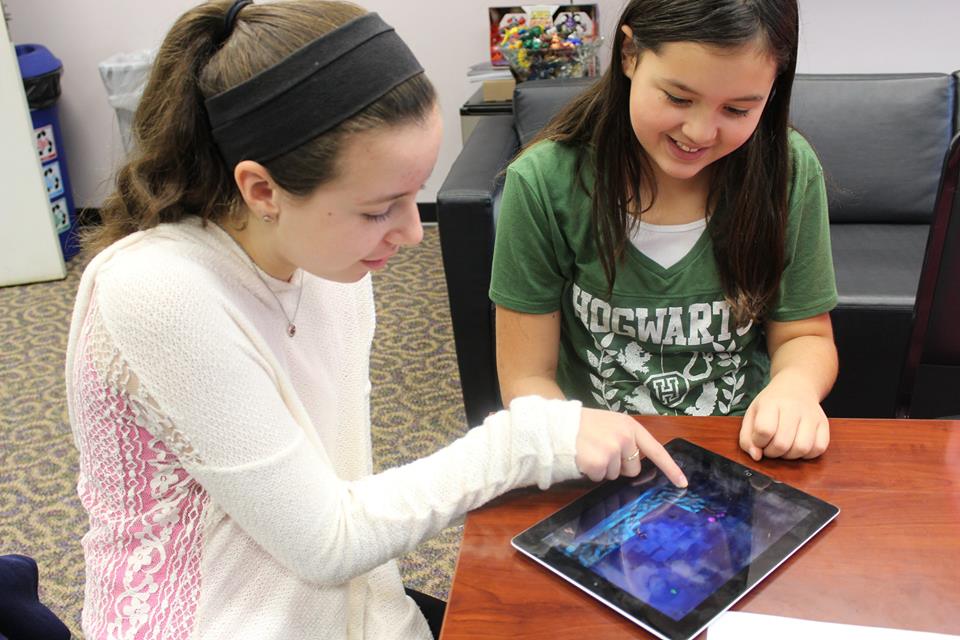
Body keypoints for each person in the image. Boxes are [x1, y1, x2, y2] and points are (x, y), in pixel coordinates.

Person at [64, 1, 688, 639]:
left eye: (414, 195)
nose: (414, 233)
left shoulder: (329, 268)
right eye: (380, 208)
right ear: (261, 190)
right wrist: (530, 439)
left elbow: (343, 503)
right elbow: (325, 540)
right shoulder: (155, 291)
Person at [490, 0, 838, 463]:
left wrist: (794, 390)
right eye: (678, 98)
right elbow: (526, 379)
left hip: (742, 454)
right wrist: (568, 433)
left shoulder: (788, 171)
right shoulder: (544, 182)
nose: (699, 132)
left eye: (736, 109)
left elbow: (805, 336)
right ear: (630, 54)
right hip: (602, 462)